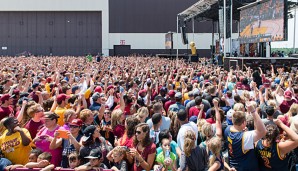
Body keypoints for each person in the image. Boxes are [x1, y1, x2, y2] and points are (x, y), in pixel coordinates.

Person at [224, 102, 266, 171]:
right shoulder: (244, 137)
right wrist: (253, 111)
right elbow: (263, 131)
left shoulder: (227, 130)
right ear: (244, 123)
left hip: (234, 166)